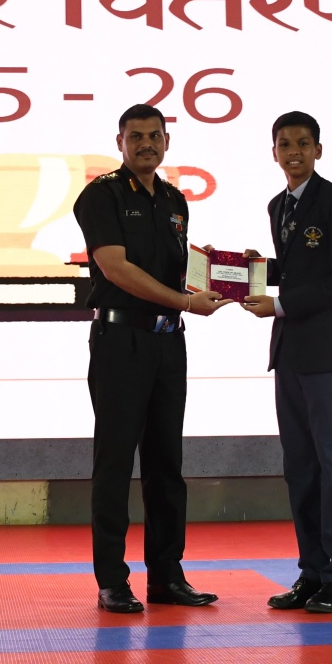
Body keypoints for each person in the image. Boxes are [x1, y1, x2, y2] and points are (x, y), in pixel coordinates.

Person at [72, 104, 230, 612]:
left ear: (167, 142)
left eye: (154, 136)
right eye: (135, 136)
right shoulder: (102, 195)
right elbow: (115, 268)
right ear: (119, 142)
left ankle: (166, 576)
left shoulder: (174, 199)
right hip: (121, 342)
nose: (146, 144)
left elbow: (174, 271)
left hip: (168, 343)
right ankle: (112, 581)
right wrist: (184, 301)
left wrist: (215, 272)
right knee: (115, 463)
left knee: (167, 465)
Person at [241, 112, 332, 613]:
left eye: (302, 143)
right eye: (284, 144)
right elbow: (296, 270)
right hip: (289, 355)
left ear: (318, 149)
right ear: (273, 152)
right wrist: (251, 270)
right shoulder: (279, 205)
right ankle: (312, 573)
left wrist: (280, 304)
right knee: (300, 469)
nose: (293, 152)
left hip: (330, 355)